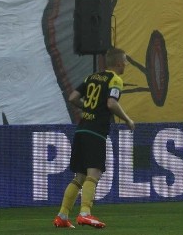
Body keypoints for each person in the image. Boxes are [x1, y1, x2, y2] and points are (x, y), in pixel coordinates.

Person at [53, 47, 136, 229]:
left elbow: (73, 97)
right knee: (94, 173)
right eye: (126, 61)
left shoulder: (91, 77)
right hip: (96, 132)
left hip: (81, 130)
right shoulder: (115, 80)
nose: (127, 65)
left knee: (79, 176)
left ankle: (62, 215)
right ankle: (85, 213)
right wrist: (128, 119)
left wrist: (88, 108)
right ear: (120, 63)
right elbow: (111, 103)